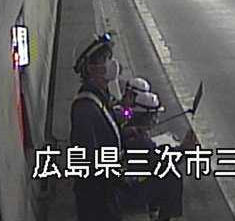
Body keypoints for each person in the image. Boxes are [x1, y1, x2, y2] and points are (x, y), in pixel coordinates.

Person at [70, 33, 123, 221]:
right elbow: (89, 163)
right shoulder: (85, 110)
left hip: (105, 193)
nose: (111, 64)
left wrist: (124, 130)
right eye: (105, 60)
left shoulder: (99, 96)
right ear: (91, 68)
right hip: (97, 201)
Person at [119, 90, 195, 221]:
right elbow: (160, 160)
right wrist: (184, 149)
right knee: (172, 177)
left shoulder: (128, 129)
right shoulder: (138, 139)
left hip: (119, 185)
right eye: (154, 116)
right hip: (125, 192)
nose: (156, 119)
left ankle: (155, 209)